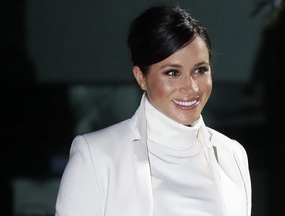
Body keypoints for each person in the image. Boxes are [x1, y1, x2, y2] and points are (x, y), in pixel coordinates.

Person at [55, 4, 252, 216]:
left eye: (200, 70)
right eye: (172, 73)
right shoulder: (96, 156)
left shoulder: (232, 154)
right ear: (141, 77)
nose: (192, 87)